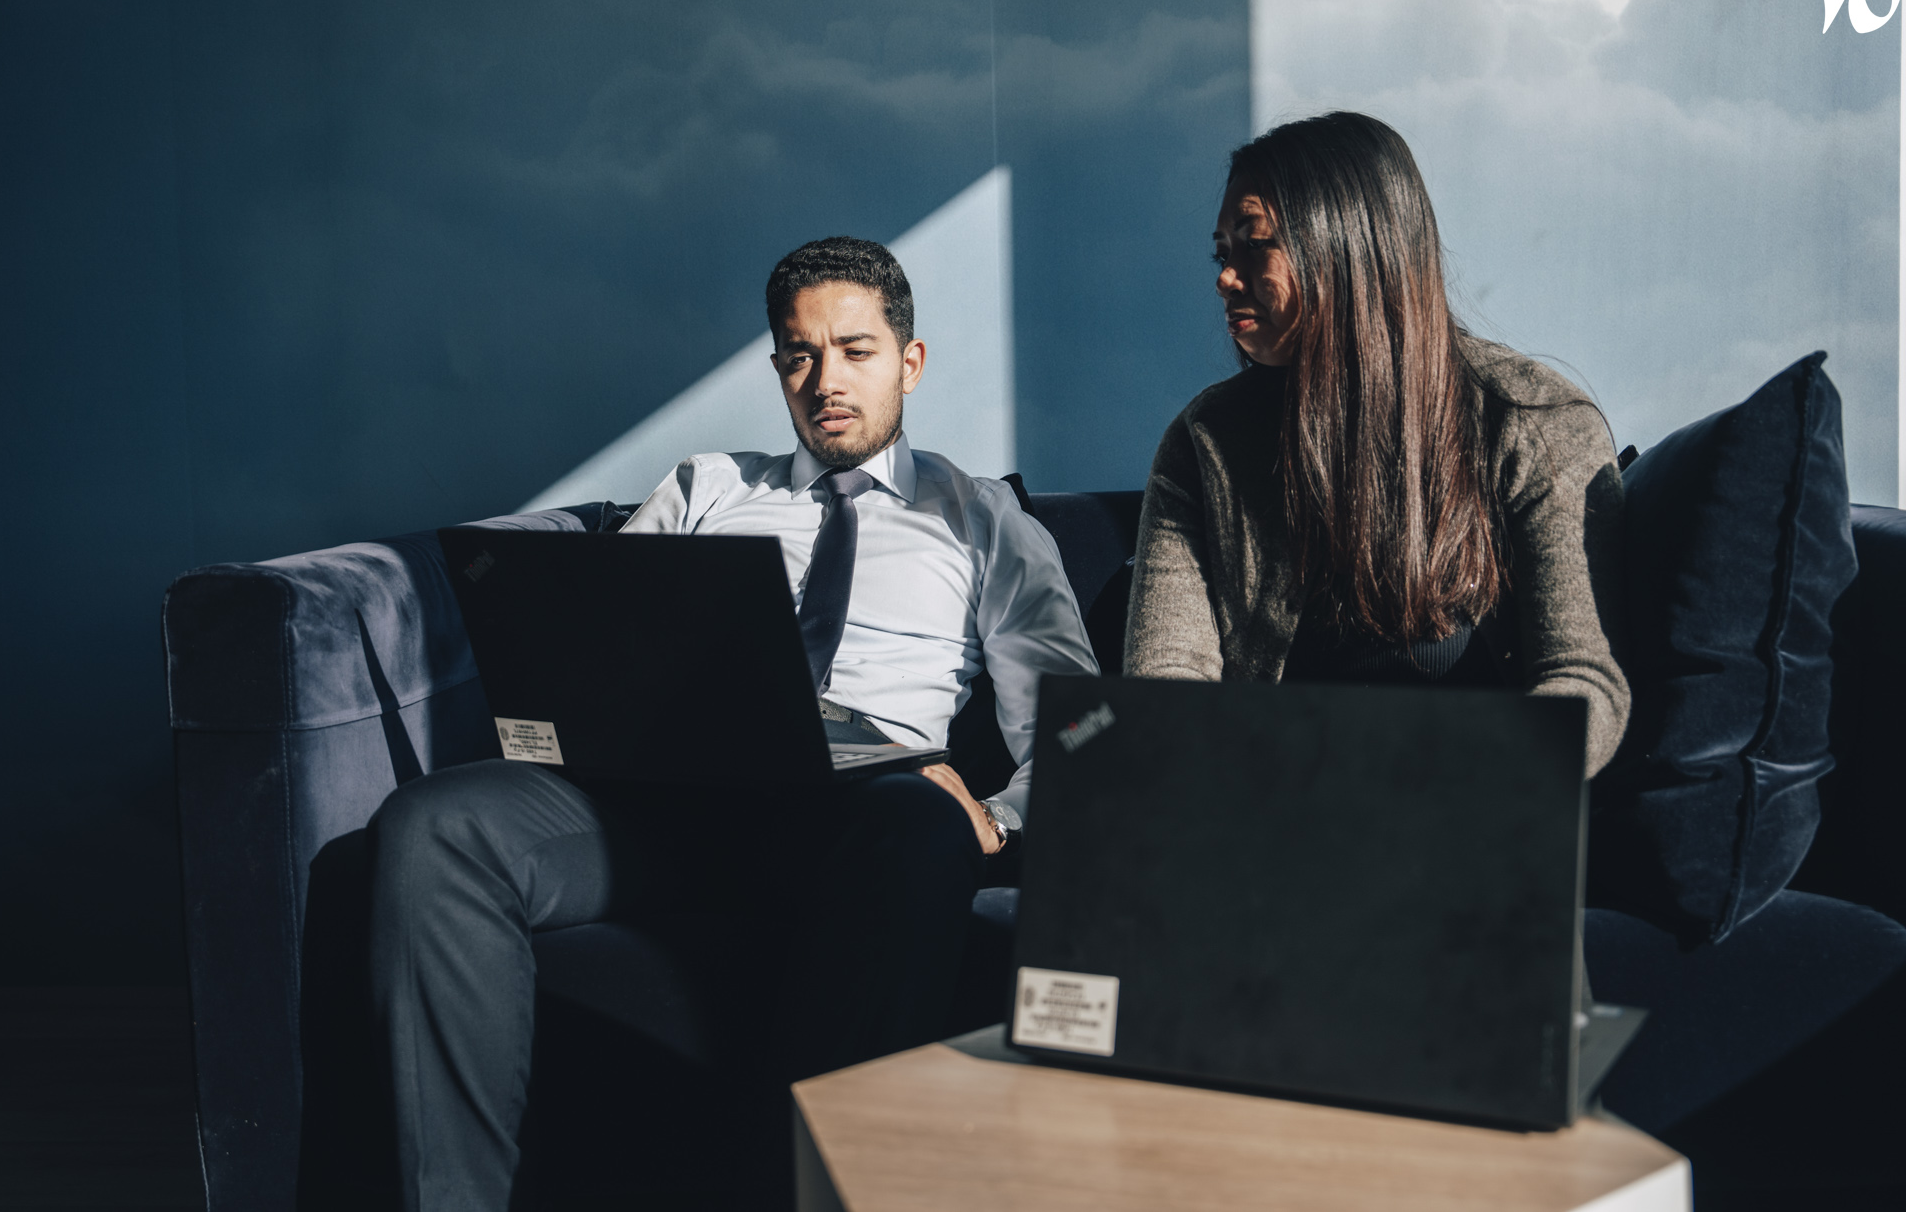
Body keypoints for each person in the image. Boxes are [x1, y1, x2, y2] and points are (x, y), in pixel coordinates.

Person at [322, 236, 1097, 1210]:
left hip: (857, 814)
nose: (826, 380)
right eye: (799, 355)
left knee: (921, 828)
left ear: (910, 360)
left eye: (854, 350)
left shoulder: (980, 519)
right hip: (663, 805)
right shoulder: (708, 489)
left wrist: (999, 816)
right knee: (434, 826)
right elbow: (599, 658)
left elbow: (1075, 721)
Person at [1124, 112, 1628, 772]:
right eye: (1223, 253)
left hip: (1473, 821)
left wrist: (1462, 775)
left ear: (1349, 249)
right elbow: (1166, 680)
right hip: (1277, 822)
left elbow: (1584, 679)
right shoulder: (1204, 445)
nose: (1224, 277)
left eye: (1254, 245)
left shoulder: (1537, 422)